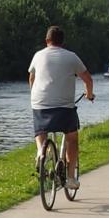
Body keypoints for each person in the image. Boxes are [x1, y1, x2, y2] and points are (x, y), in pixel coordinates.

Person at [28, 25, 94, 188]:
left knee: (40, 131)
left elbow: (31, 78)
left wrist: (35, 95)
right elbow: (88, 79)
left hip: (40, 103)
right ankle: (71, 178)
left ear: (46, 40)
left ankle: (41, 152)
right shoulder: (71, 57)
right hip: (64, 107)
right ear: (63, 42)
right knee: (72, 138)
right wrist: (89, 94)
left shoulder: (38, 55)